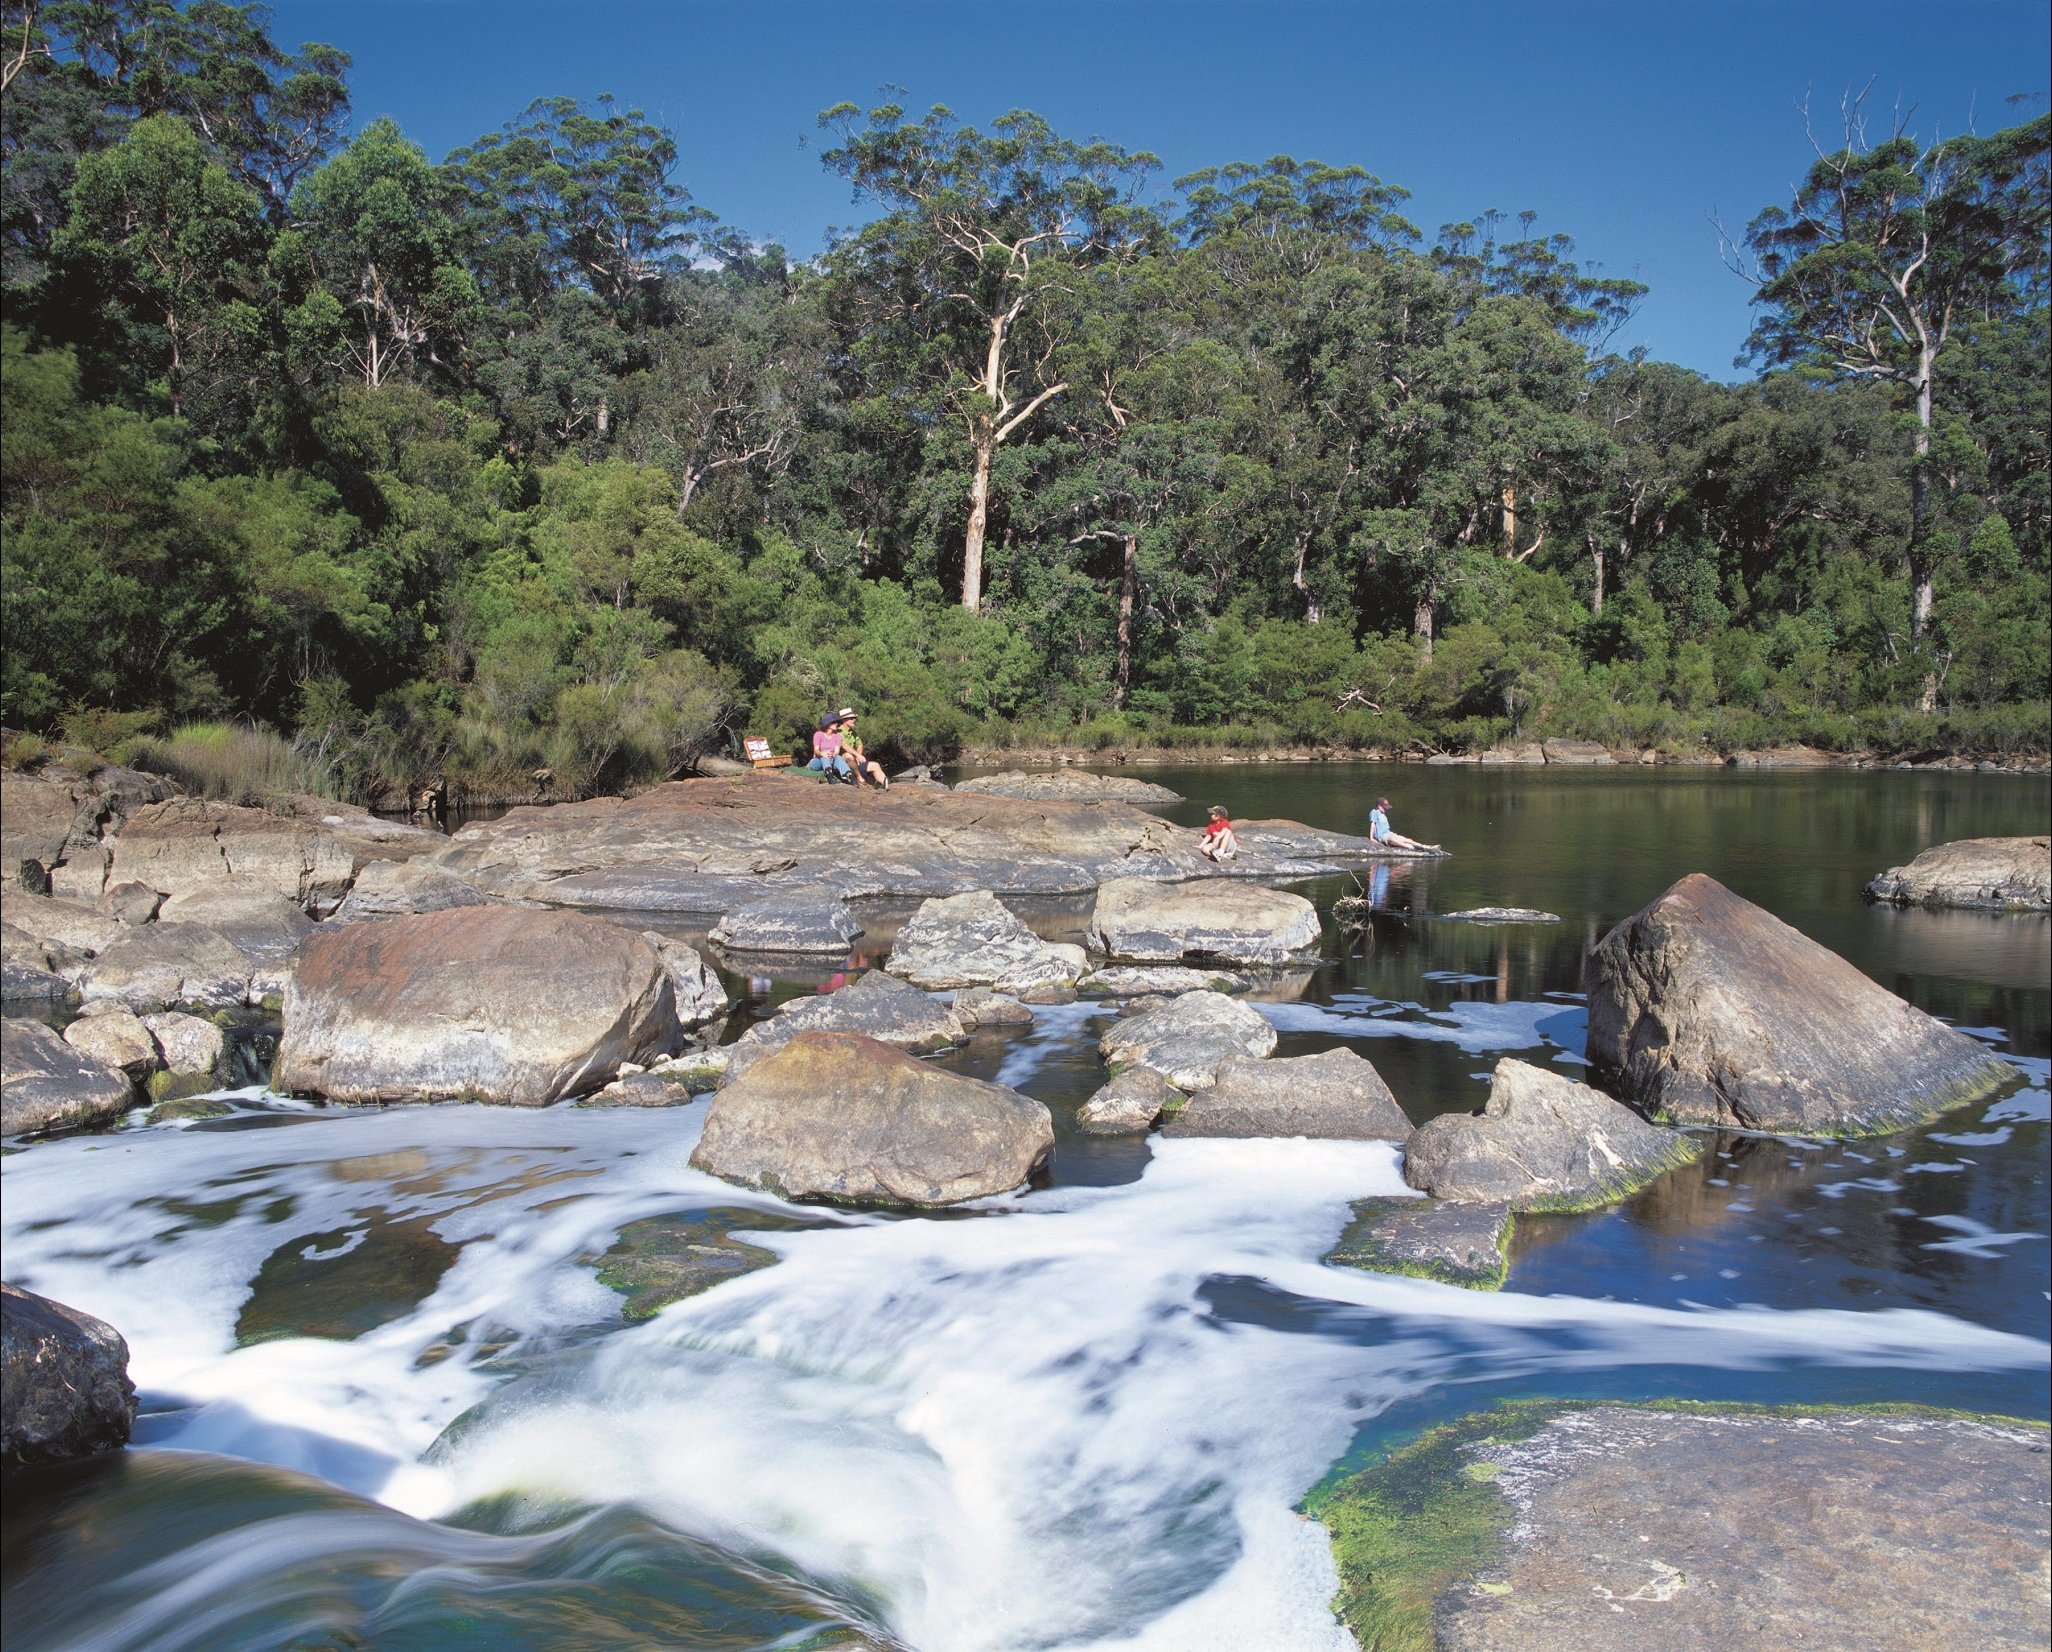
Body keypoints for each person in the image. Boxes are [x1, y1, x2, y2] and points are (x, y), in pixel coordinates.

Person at [837, 707, 888, 790]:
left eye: (854, 718)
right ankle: (858, 778)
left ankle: (887, 785)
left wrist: (858, 755)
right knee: (848, 755)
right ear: (844, 720)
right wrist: (857, 755)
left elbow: (859, 744)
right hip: (842, 764)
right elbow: (844, 745)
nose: (854, 720)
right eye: (851, 718)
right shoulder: (838, 731)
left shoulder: (853, 732)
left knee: (875, 765)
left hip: (855, 764)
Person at [1367, 794, 1440, 852]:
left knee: (1407, 840)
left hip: (1389, 833)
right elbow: (1373, 824)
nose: (1386, 809)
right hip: (1383, 836)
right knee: (1393, 839)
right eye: (1384, 807)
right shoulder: (1374, 812)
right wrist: (1371, 838)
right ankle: (1409, 847)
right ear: (1379, 806)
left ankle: (1424, 847)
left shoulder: (1383, 814)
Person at [808, 712, 854, 782]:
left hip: (832, 761)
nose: (836, 724)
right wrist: (823, 753)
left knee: (838, 757)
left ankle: (850, 776)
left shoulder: (837, 736)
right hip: (818, 761)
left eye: (836, 722)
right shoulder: (818, 734)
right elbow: (816, 751)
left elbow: (837, 751)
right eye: (833, 722)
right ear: (827, 724)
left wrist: (833, 754)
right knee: (824, 756)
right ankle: (830, 776)